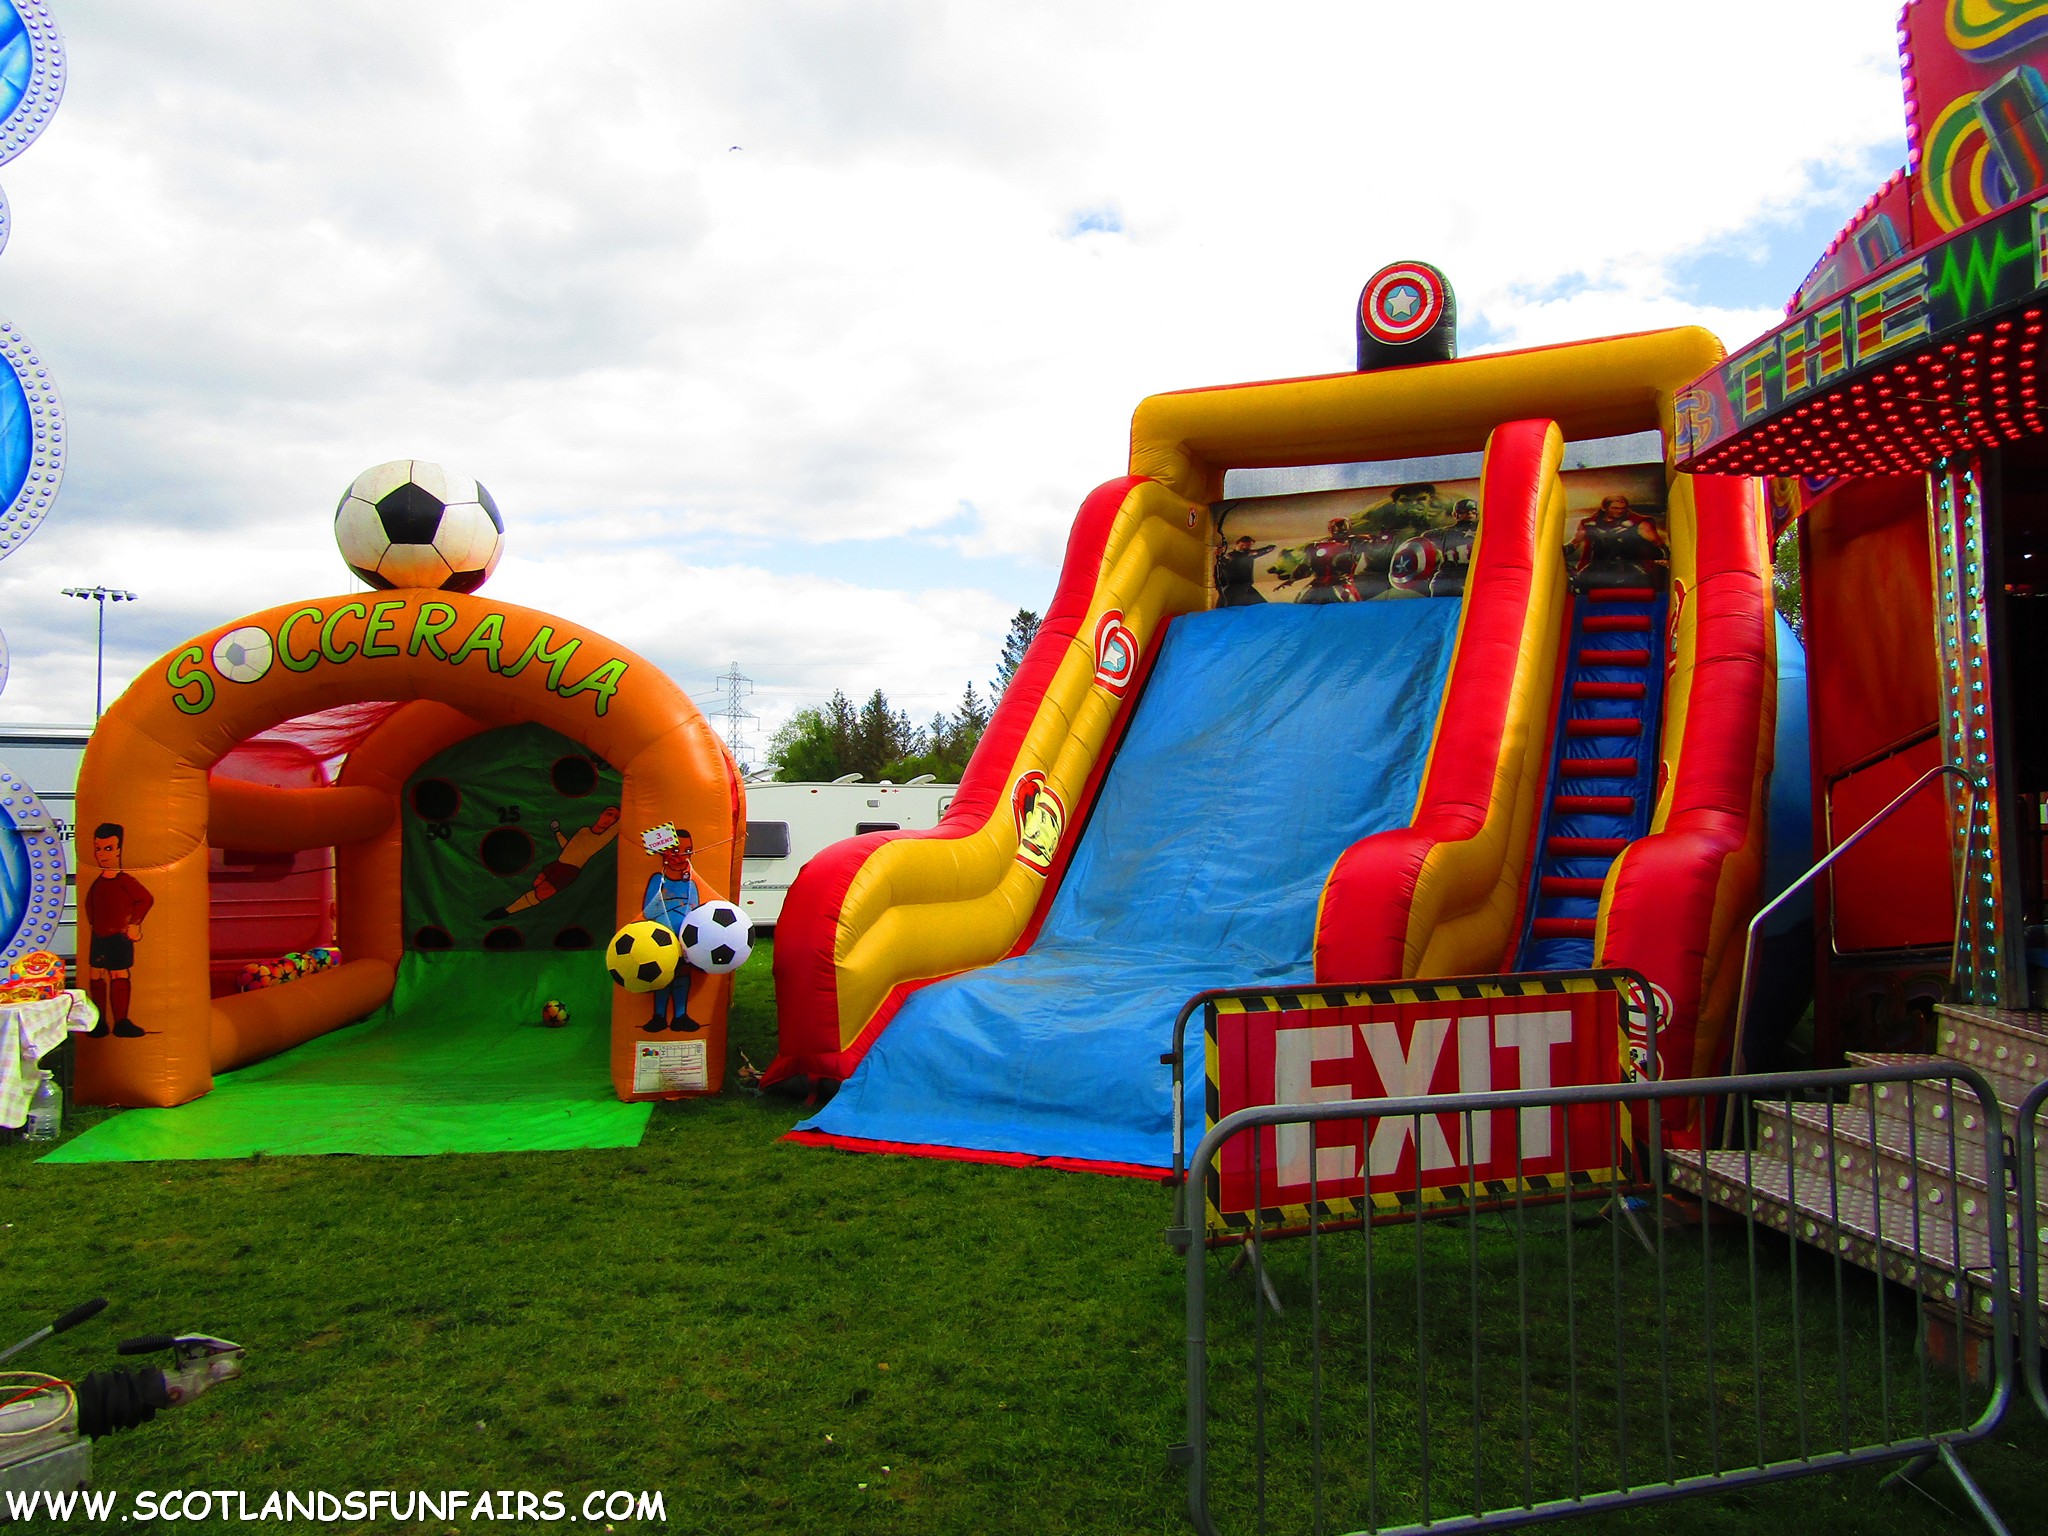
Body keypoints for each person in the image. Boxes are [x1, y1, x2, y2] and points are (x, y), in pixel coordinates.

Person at [484, 805, 621, 919]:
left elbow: (616, 829)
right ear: (601, 814)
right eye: (609, 814)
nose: (611, 820)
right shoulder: (584, 830)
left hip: (569, 871)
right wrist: (557, 833)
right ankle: (508, 910)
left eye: (615, 818)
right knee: (537, 883)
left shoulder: (602, 839)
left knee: (541, 893)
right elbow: (569, 848)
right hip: (558, 864)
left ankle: (506, 911)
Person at [83, 822, 153, 1039]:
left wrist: (134, 923)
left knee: (118, 973)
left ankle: (121, 1021)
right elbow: (90, 905)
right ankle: (99, 1021)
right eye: (98, 848)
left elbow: (145, 899)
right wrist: (94, 925)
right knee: (96, 973)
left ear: (119, 850)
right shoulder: (97, 882)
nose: (102, 854)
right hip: (100, 934)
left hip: (118, 935)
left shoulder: (125, 881)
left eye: (108, 848)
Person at [640, 823, 700, 1033]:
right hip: (660, 940)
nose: (680, 856)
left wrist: (670, 902)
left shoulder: (691, 883)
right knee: (662, 976)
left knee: (682, 975)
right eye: (675, 850)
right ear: (664, 852)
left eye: (687, 850)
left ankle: (680, 1015)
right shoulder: (659, 879)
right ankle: (659, 1016)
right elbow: (649, 910)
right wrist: (677, 904)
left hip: (683, 940)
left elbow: (695, 910)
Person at [1568, 494, 1669, 591]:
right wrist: (1562, 552)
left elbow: (1657, 543)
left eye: (1623, 508)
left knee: (1645, 585)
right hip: (1598, 565)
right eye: (1615, 508)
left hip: (1629, 565)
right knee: (1580, 586)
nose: (1620, 511)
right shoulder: (1589, 523)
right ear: (1604, 508)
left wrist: (1666, 557)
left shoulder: (1638, 523)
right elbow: (1575, 543)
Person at [1281, 517, 1361, 603]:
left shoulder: (1355, 544)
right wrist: (1291, 580)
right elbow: (1304, 567)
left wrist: (1291, 580)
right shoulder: (1318, 546)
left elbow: (1304, 567)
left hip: (1336, 586)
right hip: (1328, 586)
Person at [1214, 534, 1276, 606]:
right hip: (1234, 587)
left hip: (1245, 586)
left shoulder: (1247, 555)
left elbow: (1268, 549)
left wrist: (1265, 549)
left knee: (1261, 606)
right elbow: (1220, 572)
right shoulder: (1230, 556)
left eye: (1249, 546)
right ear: (1239, 544)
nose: (1246, 548)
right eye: (1244, 545)